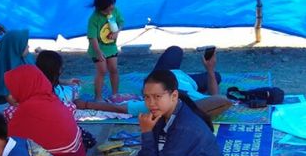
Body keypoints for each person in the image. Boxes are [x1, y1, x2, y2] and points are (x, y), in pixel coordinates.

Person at [76, 46, 232, 119]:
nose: (150, 101)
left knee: (215, 75)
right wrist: (86, 105)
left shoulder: (157, 104)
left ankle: (202, 74)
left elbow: (219, 100)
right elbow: (219, 99)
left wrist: (86, 105)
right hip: (171, 76)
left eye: (155, 96)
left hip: (183, 80)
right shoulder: (155, 102)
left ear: (173, 95)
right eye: (148, 97)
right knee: (176, 50)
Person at [4, 65, 86, 156]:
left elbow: (11, 151)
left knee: (1, 154)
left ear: (24, 87)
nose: (11, 94)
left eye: (13, 89)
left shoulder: (21, 114)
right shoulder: (55, 101)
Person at [87, 0, 123, 101]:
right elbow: (92, 37)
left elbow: (121, 22)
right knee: (102, 71)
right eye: (105, 11)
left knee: (114, 69)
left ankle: (115, 94)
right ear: (98, 8)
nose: (109, 13)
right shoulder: (94, 18)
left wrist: (117, 32)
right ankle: (98, 97)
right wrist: (98, 52)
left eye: (110, 9)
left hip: (111, 47)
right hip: (97, 48)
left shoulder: (115, 11)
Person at [0, 29, 35, 105]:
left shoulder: (28, 59)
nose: (28, 46)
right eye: (24, 43)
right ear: (15, 45)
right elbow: (12, 100)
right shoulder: (5, 68)